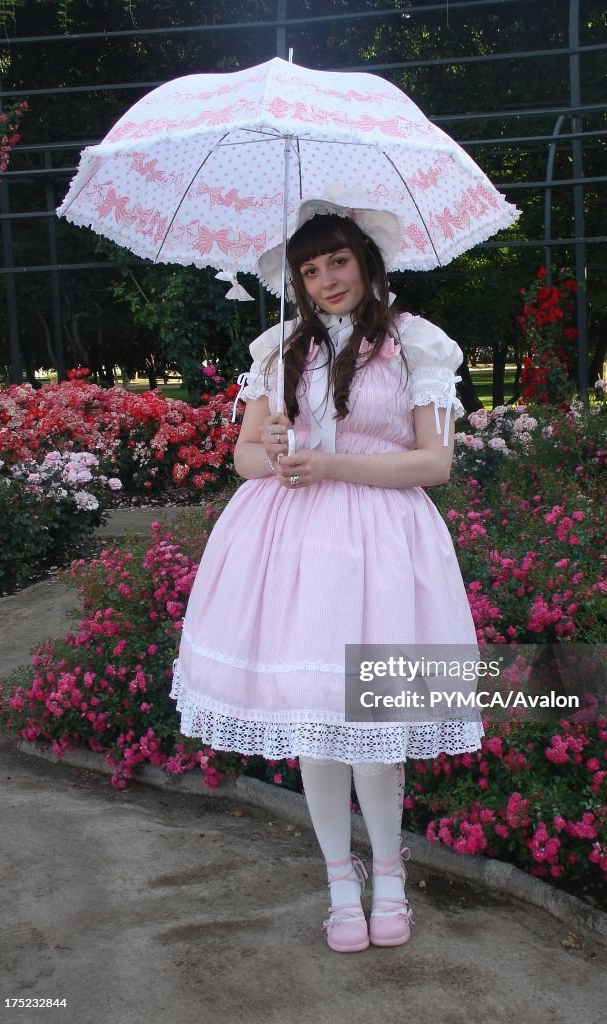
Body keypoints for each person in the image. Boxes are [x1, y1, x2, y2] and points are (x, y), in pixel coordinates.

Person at [170, 201, 483, 954]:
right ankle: (341, 882)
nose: (325, 280)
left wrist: (333, 463)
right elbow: (243, 457)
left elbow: (435, 463)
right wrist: (274, 448)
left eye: (337, 261)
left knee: (373, 724)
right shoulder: (279, 349)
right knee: (316, 722)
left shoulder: (416, 345)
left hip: (381, 546)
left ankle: (390, 876)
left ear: (368, 261)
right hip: (291, 549)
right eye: (309, 270)